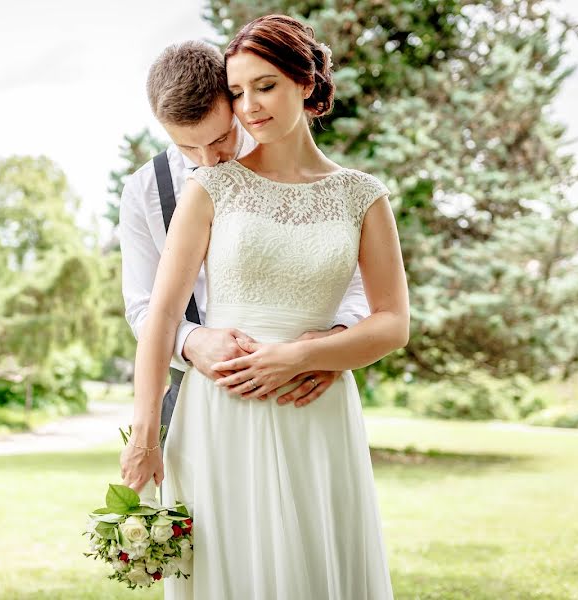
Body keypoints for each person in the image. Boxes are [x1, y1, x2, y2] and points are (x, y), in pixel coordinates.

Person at [120, 14, 408, 599]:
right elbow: (152, 312)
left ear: (306, 82)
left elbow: (388, 317)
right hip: (221, 404)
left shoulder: (361, 194)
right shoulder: (199, 188)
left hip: (316, 402)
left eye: (263, 87)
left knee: (312, 560)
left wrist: (315, 353)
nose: (247, 108)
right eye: (238, 91)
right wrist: (145, 432)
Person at [118, 41, 371, 455]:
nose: (207, 159)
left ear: (234, 101)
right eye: (187, 147)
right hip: (200, 395)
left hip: (304, 391)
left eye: (219, 138)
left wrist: (330, 348)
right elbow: (144, 306)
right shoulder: (144, 190)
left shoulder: (295, 166)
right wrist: (191, 340)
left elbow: (354, 282)